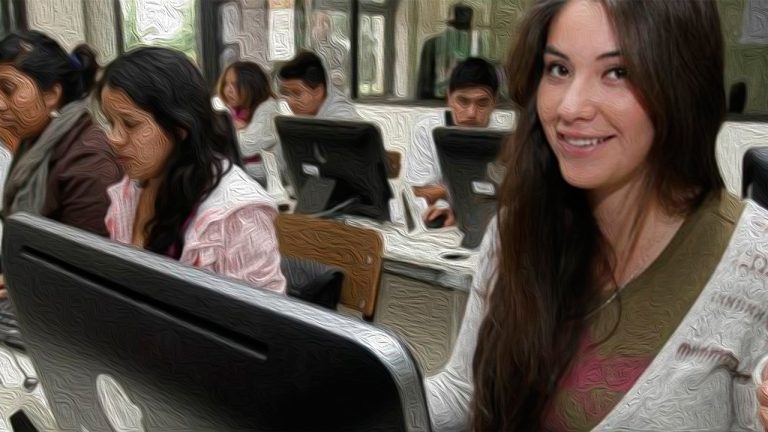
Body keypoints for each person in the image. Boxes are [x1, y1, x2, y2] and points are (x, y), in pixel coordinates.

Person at [425, 0, 768, 431]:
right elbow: (463, 391)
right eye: (559, 69)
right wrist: (368, 398)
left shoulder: (754, 260)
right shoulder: (517, 228)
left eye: (617, 72)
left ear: (682, 83)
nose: (570, 107)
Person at [98, 47, 286, 294]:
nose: (114, 138)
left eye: (130, 124)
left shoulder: (238, 215)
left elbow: (260, 314)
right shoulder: (130, 189)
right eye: (110, 122)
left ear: (181, 126)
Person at [0, 31, 122, 236]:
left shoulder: (89, 160)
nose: (0, 104)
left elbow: (85, 252)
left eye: (8, 89)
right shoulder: (34, 142)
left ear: (51, 95)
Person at [405, 57, 502, 228]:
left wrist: (445, 192)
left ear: (494, 103)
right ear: (449, 98)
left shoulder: (507, 138)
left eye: (482, 103)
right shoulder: (427, 129)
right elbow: (418, 191)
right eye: (463, 101)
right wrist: (453, 200)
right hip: (444, 225)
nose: (471, 113)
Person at [216, 61, 285, 188]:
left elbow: (245, 147)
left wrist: (233, 131)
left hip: (265, 179)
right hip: (244, 175)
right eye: (226, 83)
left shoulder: (269, 108)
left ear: (252, 85)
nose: (228, 90)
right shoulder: (234, 110)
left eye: (235, 85)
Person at [277, 51, 361, 120]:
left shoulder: (342, 118)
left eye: (297, 93)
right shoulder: (306, 116)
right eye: (286, 93)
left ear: (318, 92)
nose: (290, 101)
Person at [417, 4, 473, 100]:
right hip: (435, 99)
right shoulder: (432, 44)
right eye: (458, 28)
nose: (462, 33)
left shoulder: (471, 47)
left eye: (464, 29)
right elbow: (425, 82)